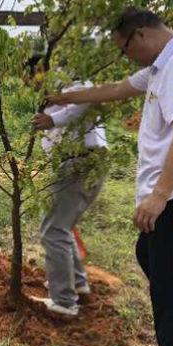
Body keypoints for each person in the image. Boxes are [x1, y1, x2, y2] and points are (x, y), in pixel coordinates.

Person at [50, 7, 173, 346]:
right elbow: (115, 89)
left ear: (140, 34)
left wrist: (159, 195)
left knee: (167, 284)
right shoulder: (165, 63)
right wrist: (64, 98)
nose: (127, 57)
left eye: (125, 48)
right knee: (150, 255)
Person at [31, 79, 108, 317]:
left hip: (80, 161)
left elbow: (84, 97)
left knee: (53, 230)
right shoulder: (54, 94)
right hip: (82, 161)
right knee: (62, 226)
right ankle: (76, 282)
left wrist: (52, 120)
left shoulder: (71, 84)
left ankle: (64, 301)